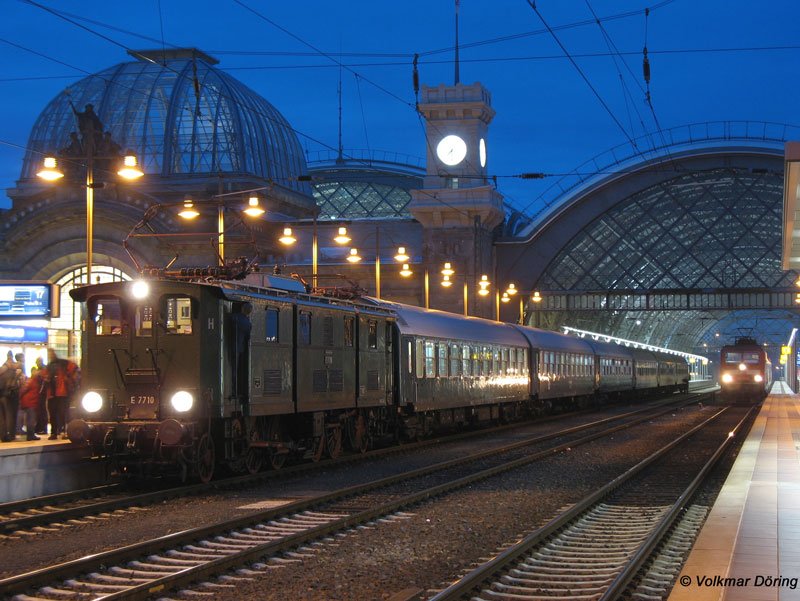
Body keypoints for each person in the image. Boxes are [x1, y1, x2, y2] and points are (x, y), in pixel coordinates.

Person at [45, 349, 80, 440]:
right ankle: (59, 432)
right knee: (59, 413)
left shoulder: (59, 364)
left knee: (61, 413)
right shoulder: (59, 364)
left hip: (59, 393)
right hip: (57, 393)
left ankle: (59, 432)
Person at [231, 303, 252, 411]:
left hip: (232, 347)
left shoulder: (234, 317)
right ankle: (235, 390)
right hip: (239, 348)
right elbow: (248, 336)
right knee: (236, 369)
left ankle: (233, 390)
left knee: (233, 369)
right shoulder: (247, 323)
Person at [0, 351, 23, 442]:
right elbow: (19, 383)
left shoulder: (2, 369)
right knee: (11, 415)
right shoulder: (16, 369)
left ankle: (3, 435)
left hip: (2, 395)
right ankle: (11, 435)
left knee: (2, 417)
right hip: (11, 395)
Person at [19, 370, 44, 441]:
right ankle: (30, 435)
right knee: (31, 420)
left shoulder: (32, 381)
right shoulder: (32, 381)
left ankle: (30, 435)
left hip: (30, 402)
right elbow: (23, 390)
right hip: (30, 403)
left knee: (30, 420)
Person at [30, 357, 48, 434]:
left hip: (41, 393)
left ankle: (42, 427)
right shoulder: (42, 369)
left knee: (41, 411)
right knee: (40, 411)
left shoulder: (42, 370)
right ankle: (40, 427)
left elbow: (43, 382)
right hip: (40, 393)